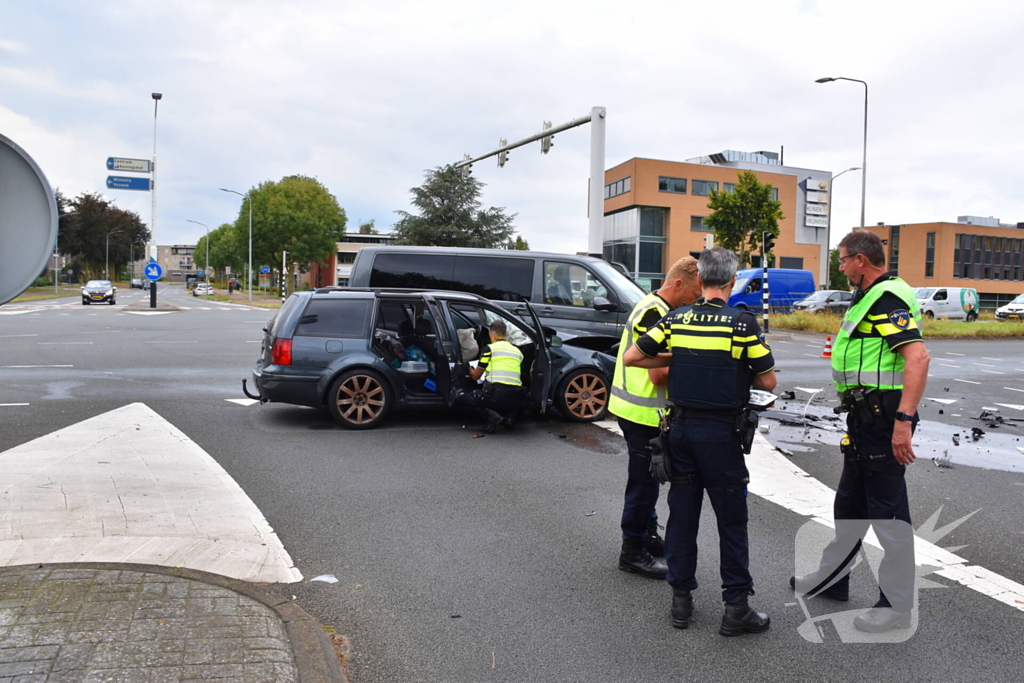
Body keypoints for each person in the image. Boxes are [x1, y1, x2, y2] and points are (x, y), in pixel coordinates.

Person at [624, 247, 776, 636]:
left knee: (682, 517)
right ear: (731, 281)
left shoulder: (676, 318)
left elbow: (632, 359)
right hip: (722, 436)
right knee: (731, 522)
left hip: (681, 433)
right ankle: (736, 608)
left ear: (703, 280)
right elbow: (768, 381)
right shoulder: (743, 324)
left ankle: (681, 603)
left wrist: (682, 359)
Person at [791, 230, 929, 633]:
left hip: (884, 419)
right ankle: (833, 580)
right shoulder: (866, 296)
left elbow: (917, 358)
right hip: (863, 417)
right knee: (849, 505)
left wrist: (903, 423)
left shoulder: (887, 298)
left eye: (844, 259)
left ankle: (896, 605)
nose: (840, 265)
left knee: (889, 516)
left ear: (862, 261)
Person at [608, 257, 702, 580]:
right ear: (678, 284)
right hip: (643, 414)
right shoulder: (655, 314)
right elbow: (660, 374)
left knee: (648, 481)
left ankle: (645, 536)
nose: (695, 301)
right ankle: (632, 550)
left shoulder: (654, 307)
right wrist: (695, 360)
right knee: (644, 485)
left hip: (642, 412)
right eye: (693, 293)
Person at [457, 319, 525, 434]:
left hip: (497, 394)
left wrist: (468, 368)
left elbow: (475, 377)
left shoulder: (489, 350)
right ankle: (510, 416)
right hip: (517, 396)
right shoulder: (517, 351)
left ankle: (492, 416)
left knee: (462, 396)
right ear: (506, 335)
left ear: (492, 334)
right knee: (506, 396)